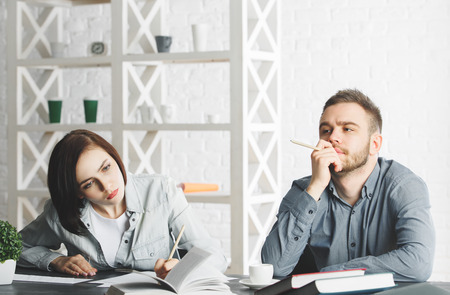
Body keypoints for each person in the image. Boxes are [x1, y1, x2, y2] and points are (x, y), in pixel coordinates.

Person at [261, 89, 435, 282]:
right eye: (326, 130)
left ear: (374, 144)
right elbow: (274, 267)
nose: (332, 137)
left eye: (348, 129)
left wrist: (331, 275)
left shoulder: (404, 186)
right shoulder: (306, 190)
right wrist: (316, 187)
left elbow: (419, 263)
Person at [18, 129, 228, 278]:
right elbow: (15, 247)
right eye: (90, 183)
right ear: (77, 193)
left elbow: (215, 256)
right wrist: (55, 261)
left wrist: (181, 269)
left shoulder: (161, 191)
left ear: (114, 156)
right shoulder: (60, 213)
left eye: (106, 168)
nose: (107, 186)